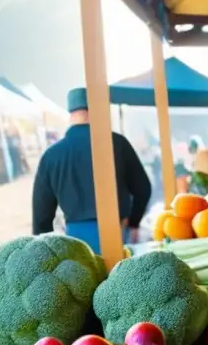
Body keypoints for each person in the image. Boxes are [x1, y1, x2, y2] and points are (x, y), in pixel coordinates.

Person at [32, 88, 151, 253]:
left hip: (75, 238)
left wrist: (42, 250)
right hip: (116, 232)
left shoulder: (52, 155)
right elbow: (143, 189)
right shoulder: (117, 144)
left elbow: (41, 212)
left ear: (71, 113)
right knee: (119, 276)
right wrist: (133, 221)